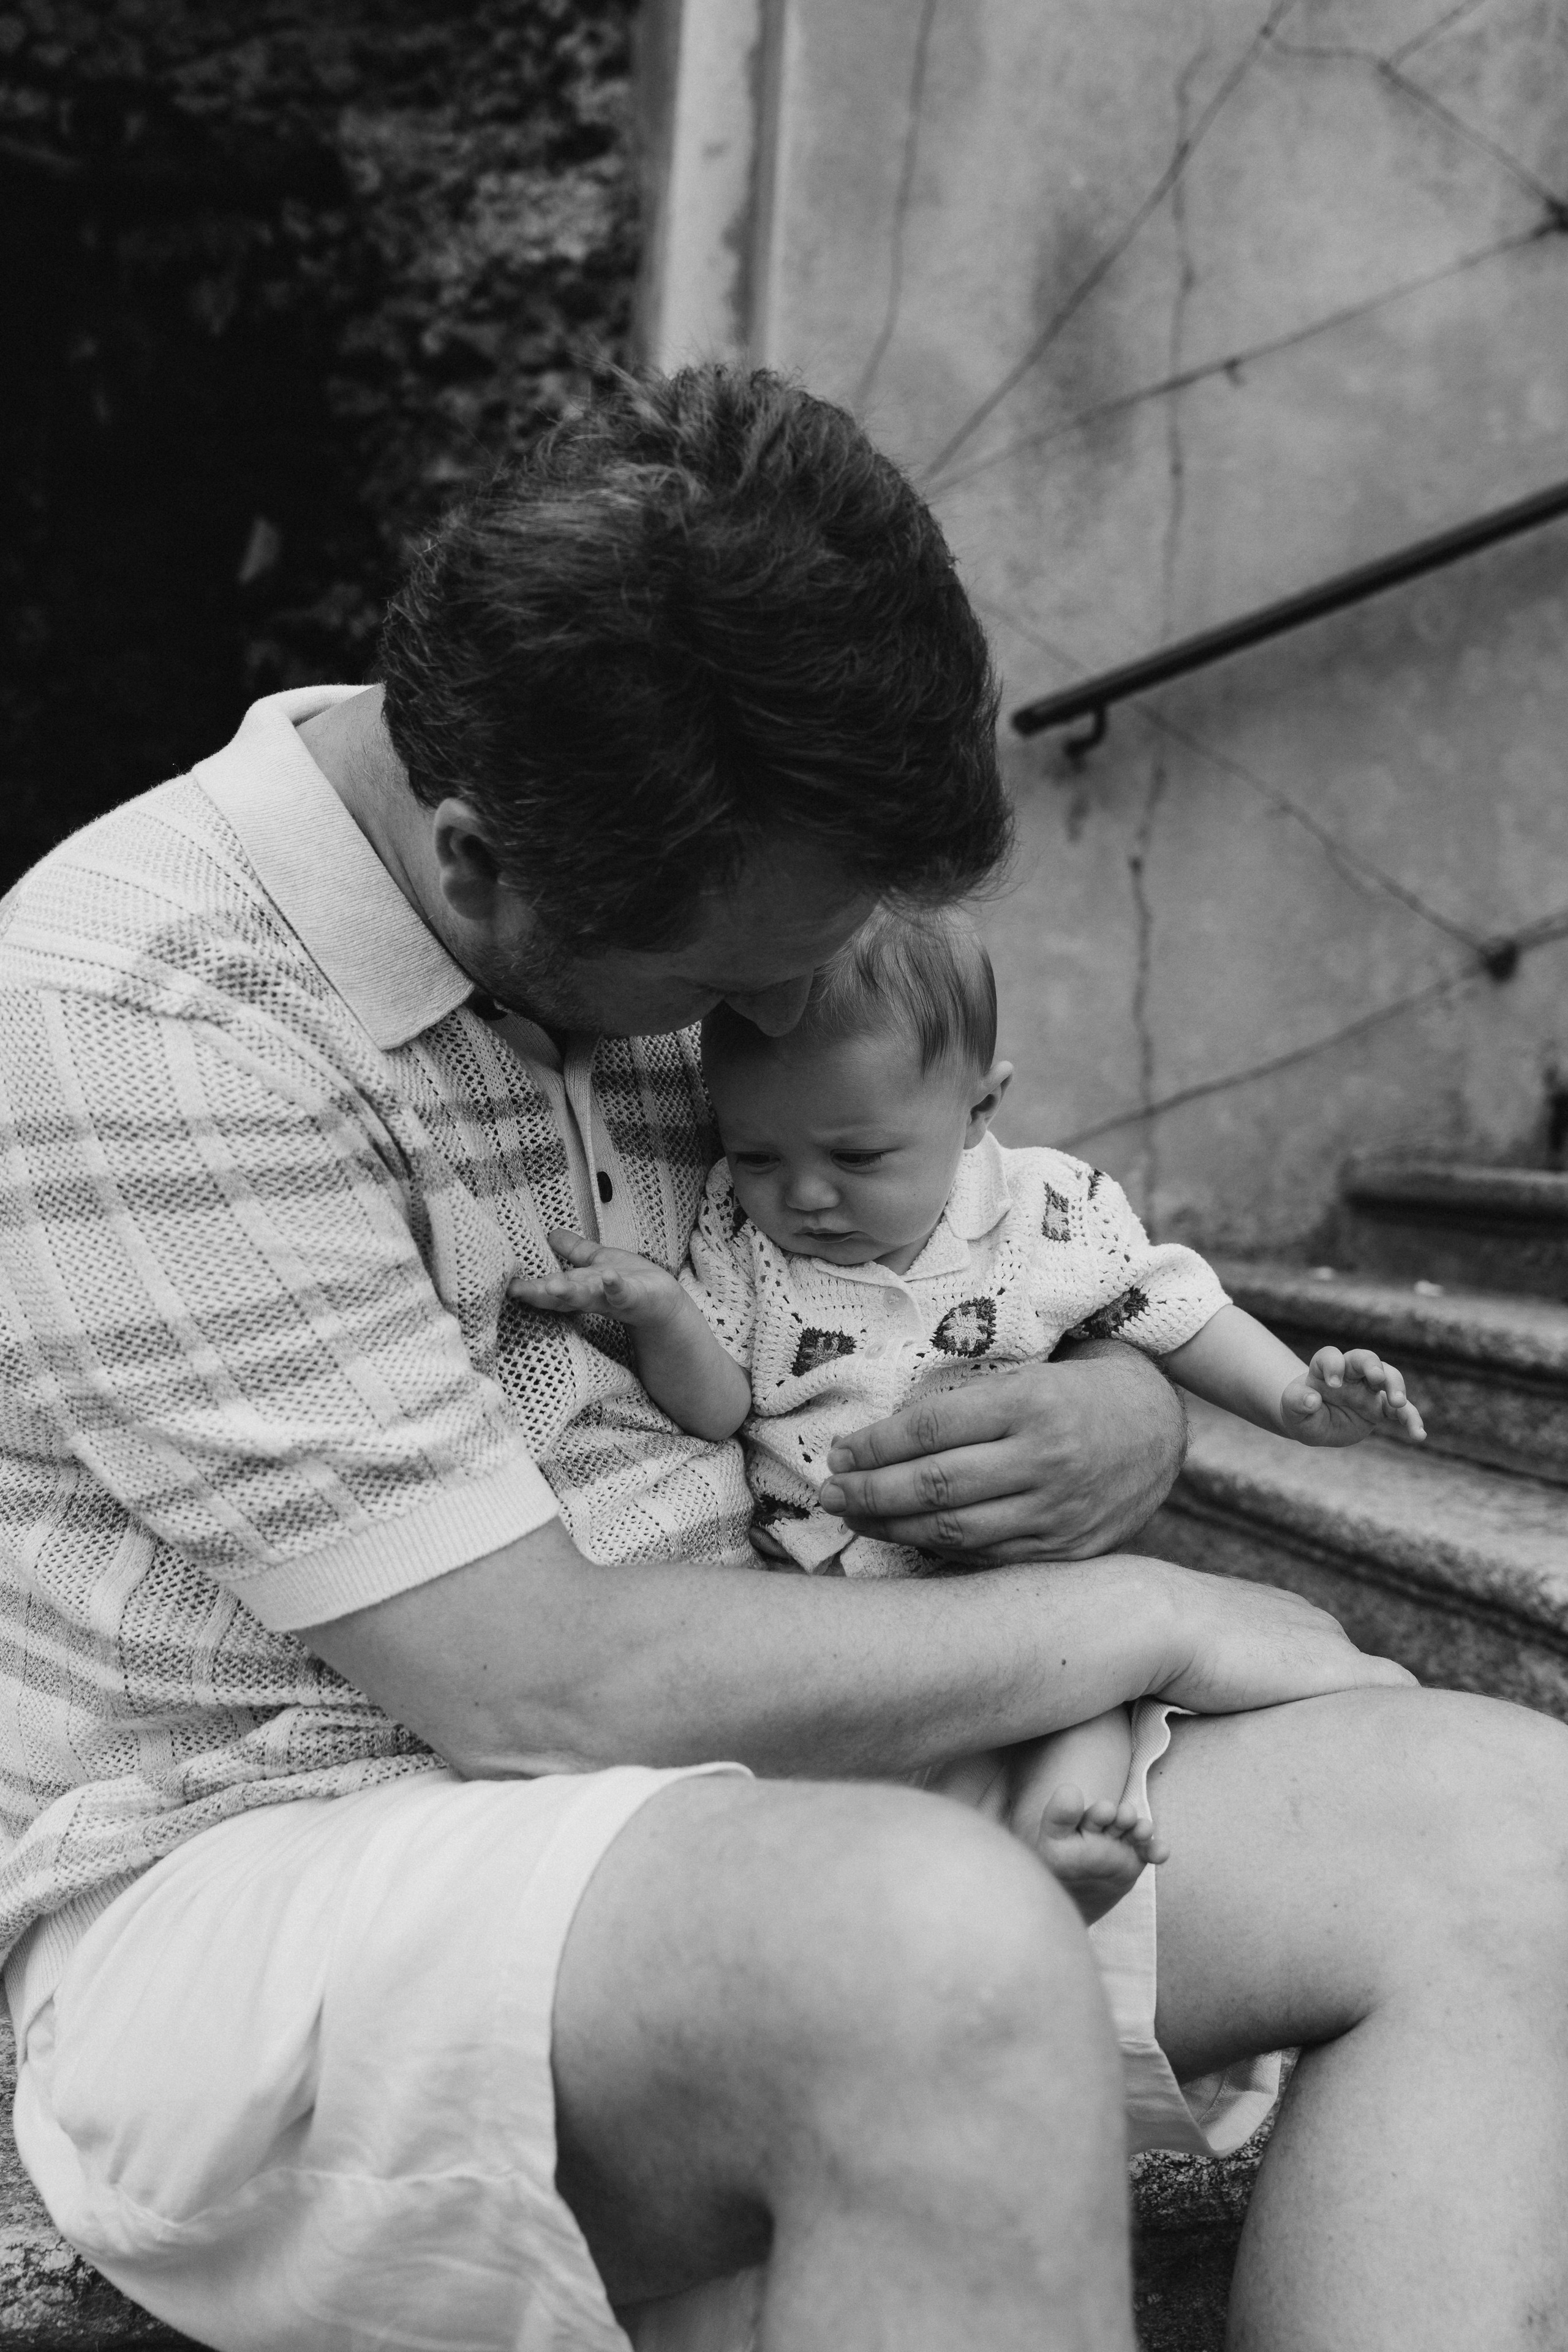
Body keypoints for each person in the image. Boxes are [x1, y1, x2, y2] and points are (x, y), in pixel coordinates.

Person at [0, 366, 1564, 2352]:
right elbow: (537, 1687)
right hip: (263, 1873)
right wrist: (1142, 1615)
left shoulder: (683, 906)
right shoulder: (146, 1007)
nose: (762, 1018)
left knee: (1522, 1842)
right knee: (927, 1954)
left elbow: (966, 1250)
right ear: (480, 862)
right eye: (732, 987)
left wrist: (1119, 1414)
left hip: (783, 1773)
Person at [513, 906, 1428, 1926]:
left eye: (857, 1157)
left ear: (979, 1105)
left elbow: (1170, 1306)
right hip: (823, 1606)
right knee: (850, 1762)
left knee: (1085, 1696)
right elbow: (721, 1405)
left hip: (1026, 1583)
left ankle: (1068, 1830)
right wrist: (662, 1313)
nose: (806, 1195)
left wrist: (1296, 1399)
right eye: (760, 1154)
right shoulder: (740, 1237)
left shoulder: (1045, 1207)